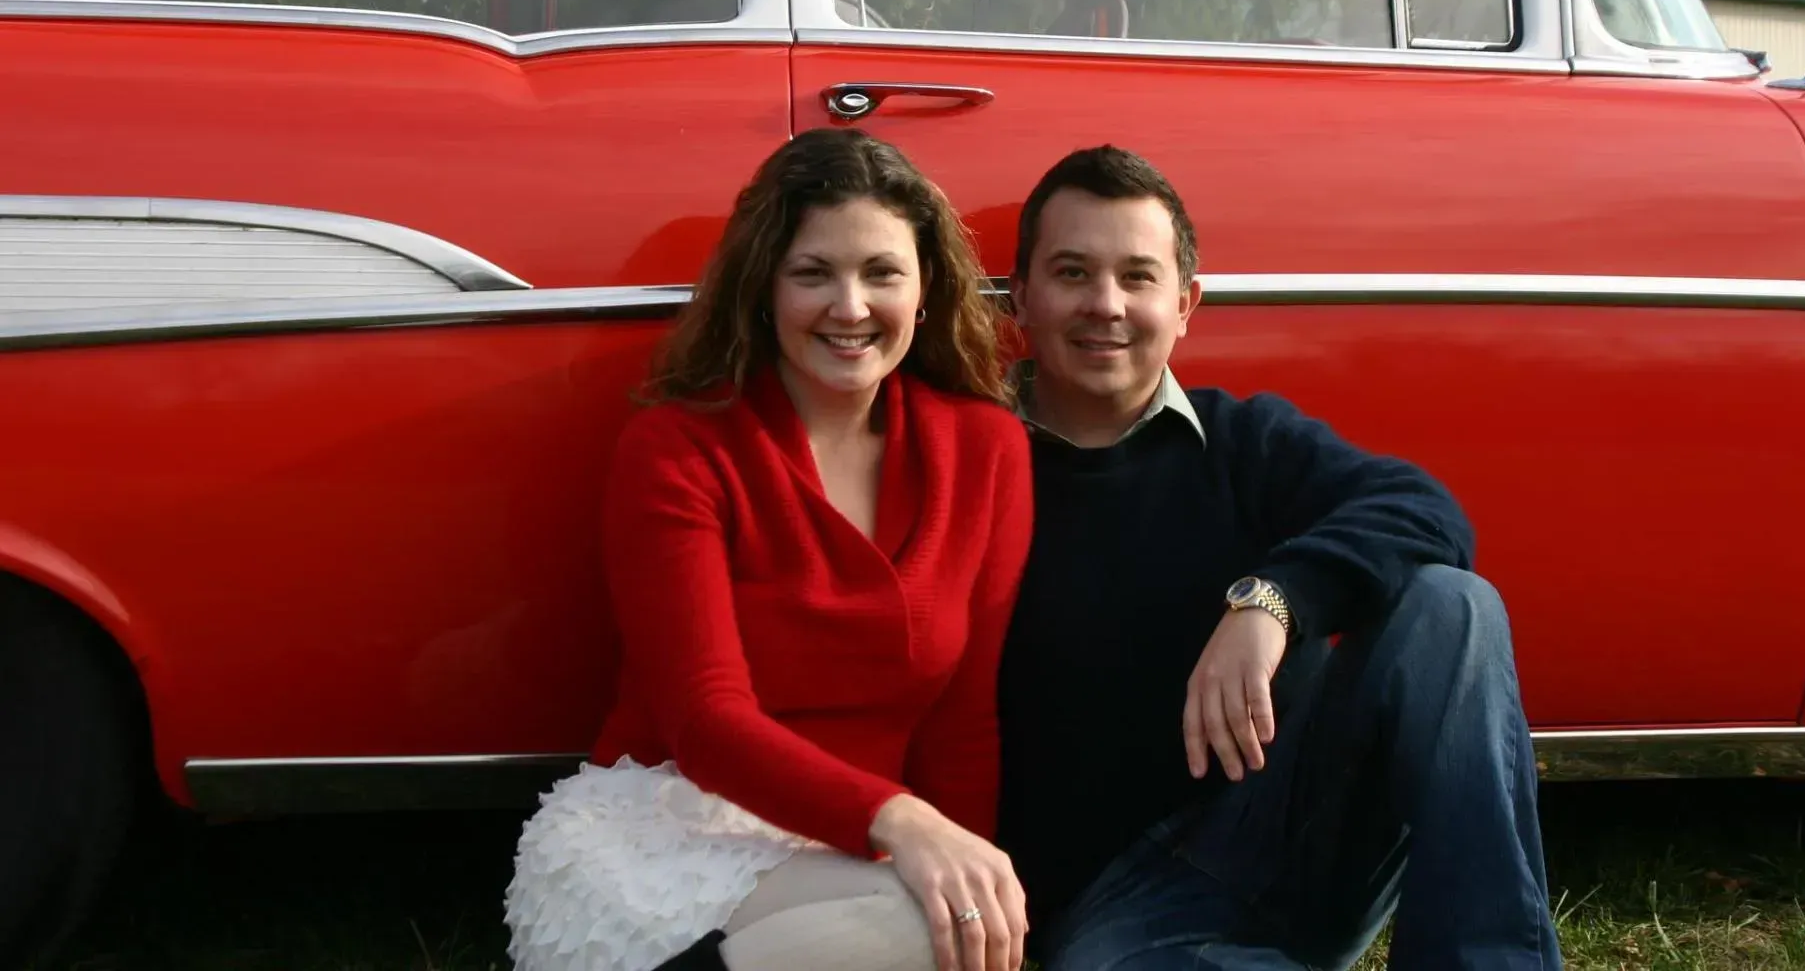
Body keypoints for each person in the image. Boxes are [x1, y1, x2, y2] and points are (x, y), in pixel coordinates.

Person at [996, 146, 1562, 971]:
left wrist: (1273, 602)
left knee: (1449, 605)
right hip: (1114, 904)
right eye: (1073, 272)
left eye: (1138, 277)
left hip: (1296, 821)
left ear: (1185, 303)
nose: (1106, 305)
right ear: (1022, 296)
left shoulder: (1243, 439)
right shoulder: (968, 459)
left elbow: (1425, 511)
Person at [504, 129, 1034, 971]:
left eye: (882, 273)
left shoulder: (988, 449)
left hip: (853, 860)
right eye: (813, 273)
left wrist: (965, 872)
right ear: (763, 290)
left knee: (945, 921)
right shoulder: (678, 449)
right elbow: (705, 722)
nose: (851, 307)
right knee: (908, 929)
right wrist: (906, 821)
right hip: (672, 827)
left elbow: (963, 720)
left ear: (926, 289)